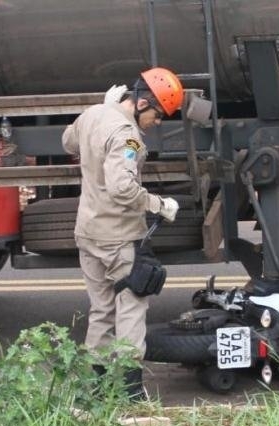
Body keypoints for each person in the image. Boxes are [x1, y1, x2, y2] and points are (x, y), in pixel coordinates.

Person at [62, 67, 184, 401]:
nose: (158, 122)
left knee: (101, 310)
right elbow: (122, 188)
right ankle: (130, 391)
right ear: (143, 102)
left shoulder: (94, 115)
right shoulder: (127, 136)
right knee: (131, 305)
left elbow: (67, 141)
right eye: (158, 115)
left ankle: (95, 390)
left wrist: (102, 109)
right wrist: (159, 204)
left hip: (88, 233)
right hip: (117, 237)